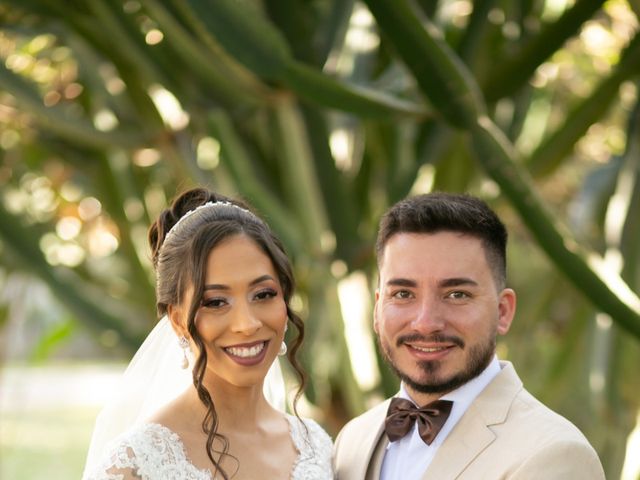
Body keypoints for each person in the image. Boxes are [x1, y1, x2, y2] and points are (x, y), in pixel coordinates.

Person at [333, 192, 605, 479]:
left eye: (456, 294)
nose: (426, 323)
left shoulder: (556, 454)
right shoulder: (352, 441)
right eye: (403, 294)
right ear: (378, 309)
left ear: (503, 312)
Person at [83, 187, 333, 479]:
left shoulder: (316, 447)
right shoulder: (134, 465)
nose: (247, 323)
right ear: (177, 321)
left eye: (263, 294)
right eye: (215, 302)